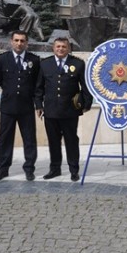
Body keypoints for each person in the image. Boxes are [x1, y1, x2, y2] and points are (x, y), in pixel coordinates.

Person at [34, 37, 92, 181]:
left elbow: (85, 86)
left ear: (68, 48)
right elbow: (39, 88)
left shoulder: (77, 63)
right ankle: (55, 169)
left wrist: (86, 104)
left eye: (64, 47)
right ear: (53, 48)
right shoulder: (45, 64)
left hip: (69, 111)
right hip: (51, 110)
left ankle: (74, 170)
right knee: (53, 141)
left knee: (71, 141)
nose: (60, 49)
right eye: (58, 46)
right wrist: (39, 105)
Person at [0, 31, 41, 181]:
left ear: (26, 43)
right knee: (5, 138)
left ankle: (29, 168)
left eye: (22, 41)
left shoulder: (34, 60)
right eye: (16, 40)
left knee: (29, 139)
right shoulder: (3, 59)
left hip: (26, 106)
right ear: (11, 41)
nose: (19, 43)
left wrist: (38, 104)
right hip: (8, 106)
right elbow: (0, 80)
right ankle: (3, 168)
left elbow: (37, 84)